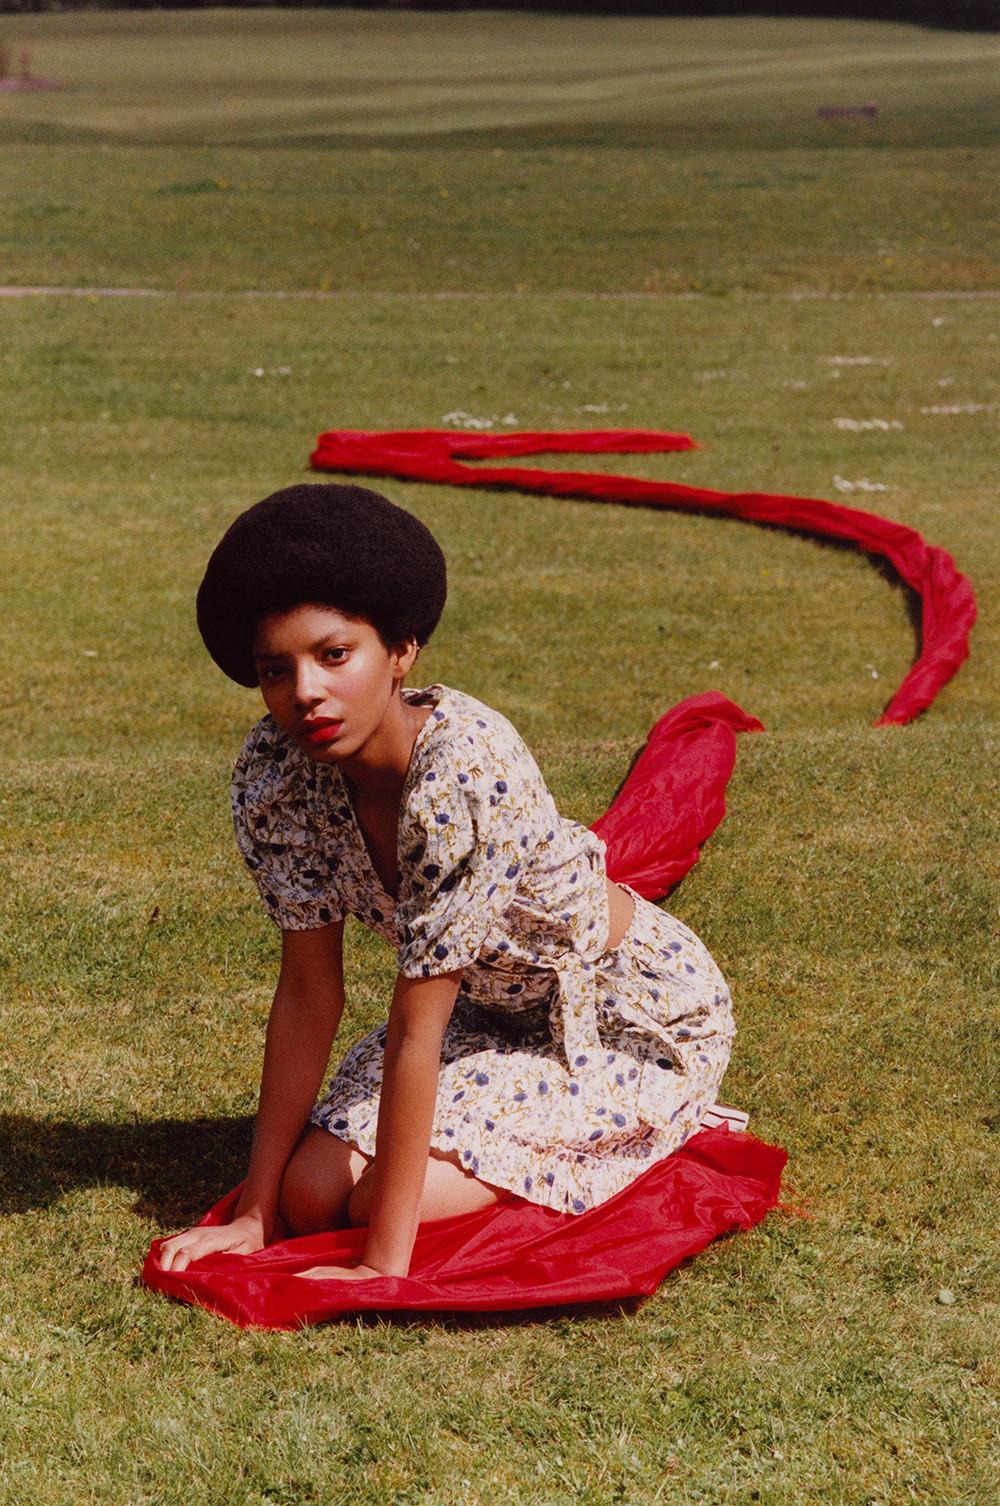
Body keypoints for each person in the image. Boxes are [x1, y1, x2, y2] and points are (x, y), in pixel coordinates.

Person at [158, 484, 736, 1281]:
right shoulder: (276, 773)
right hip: (481, 1013)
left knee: (367, 1211)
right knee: (309, 1194)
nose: (305, 693)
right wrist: (256, 1213)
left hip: (615, 1016)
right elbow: (306, 991)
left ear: (401, 651)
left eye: (334, 655)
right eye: (274, 670)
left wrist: (381, 1266)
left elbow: (413, 1024)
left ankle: (654, 1121)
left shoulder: (465, 769)